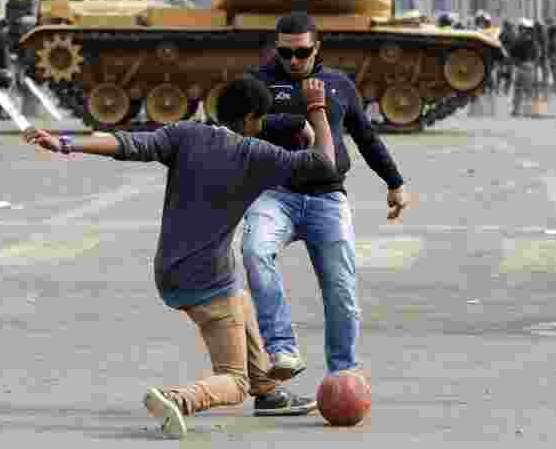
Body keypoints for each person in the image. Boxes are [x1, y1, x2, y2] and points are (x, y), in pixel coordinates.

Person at [22, 77, 337, 439]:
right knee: (233, 381)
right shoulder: (256, 155)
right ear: (251, 118)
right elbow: (325, 165)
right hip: (209, 282)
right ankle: (178, 399)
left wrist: (64, 142)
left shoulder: (186, 134)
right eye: (261, 119)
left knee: (242, 303)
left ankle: (266, 392)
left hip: (169, 271)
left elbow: (128, 143)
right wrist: (317, 111)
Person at [242, 11, 410, 381]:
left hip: (327, 197)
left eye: (302, 53)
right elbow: (239, 126)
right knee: (255, 252)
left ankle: (343, 372)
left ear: (317, 48)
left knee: (341, 290)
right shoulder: (257, 82)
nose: (293, 62)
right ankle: (282, 349)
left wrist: (394, 183)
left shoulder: (339, 84)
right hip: (275, 193)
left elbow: (366, 136)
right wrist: (295, 121)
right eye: (285, 54)